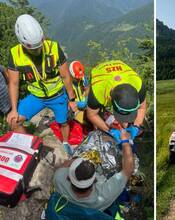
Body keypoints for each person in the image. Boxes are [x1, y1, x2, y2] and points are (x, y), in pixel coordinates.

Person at [6, 14, 77, 155]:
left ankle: (65, 142)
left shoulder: (54, 48)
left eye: (39, 46)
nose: (37, 51)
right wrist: (14, 109)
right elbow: (13, 83)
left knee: (63, 122)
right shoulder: (15, 54)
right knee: (14, 121)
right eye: (32, 49)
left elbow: (65, 76)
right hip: (36, 96)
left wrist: (72, 99)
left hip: (57, 95)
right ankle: (29, 148)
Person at [48, 129, 134, 218]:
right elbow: (128, 169)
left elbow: (66, 163)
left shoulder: (59, 177)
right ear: (94, 180)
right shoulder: (104, 196)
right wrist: (125, 141)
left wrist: (76, 159)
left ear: (69, 177)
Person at [86, 60, 146, 143]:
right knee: (98, 112)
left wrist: (136, 126)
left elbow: (142, 108)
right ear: (111, 99)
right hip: (100, 72)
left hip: (122, 69)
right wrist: (109, 130)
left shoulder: (139, 85)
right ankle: (97, 134)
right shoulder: (98, 92)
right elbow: (91, 115)